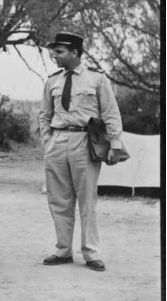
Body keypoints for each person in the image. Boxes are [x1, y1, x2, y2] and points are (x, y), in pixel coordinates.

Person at [39, 31, 124, 272]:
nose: (54, 56)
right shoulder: (52, 80)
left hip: (84, 141)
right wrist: (48, 140)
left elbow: (110, 113)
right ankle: (63, 250)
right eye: (54, 51)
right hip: (57, 141)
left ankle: (91, 252)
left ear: (75, 52)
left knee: (87, 199)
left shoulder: (97, 79)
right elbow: (45, 114)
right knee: (58, 199)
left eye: (59, 51)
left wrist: (115, 145)